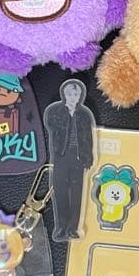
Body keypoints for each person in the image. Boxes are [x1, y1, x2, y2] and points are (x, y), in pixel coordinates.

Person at [42, 79, 95, 240]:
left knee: (77, 194)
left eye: (76, 94)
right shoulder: (56, 111)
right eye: (70, 94)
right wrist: (66, 114)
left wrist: (88, 157)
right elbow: (51, 126)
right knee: (60, 191)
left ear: (80, 96)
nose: (73, 97)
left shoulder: (84, 115)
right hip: (61, 156)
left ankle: (73, 228)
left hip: (78, 157)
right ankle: (62, 227)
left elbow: (88, 137)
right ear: (64, 94)